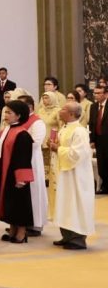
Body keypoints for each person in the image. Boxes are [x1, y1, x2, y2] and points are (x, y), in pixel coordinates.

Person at [50, 101, 96, 249]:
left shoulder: (79, 131)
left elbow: (77, 154)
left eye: (63, 109)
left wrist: (58, 149)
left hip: (77, 175)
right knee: (65, 203)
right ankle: (67, 236)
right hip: (65, 173)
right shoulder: (64, 128)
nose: (60, 110)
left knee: (76, 204)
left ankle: (78, 239)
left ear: (71, 114)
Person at [0, 100, 35, 244]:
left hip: (16, 175)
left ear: (19, 116)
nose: (5, 115)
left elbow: (24, 158)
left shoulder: (22, 134)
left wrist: (21, 178)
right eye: (5, 112)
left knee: (19, 203)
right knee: (9, 202)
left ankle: (21, 232)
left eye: (9, 112)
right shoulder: (6, 131)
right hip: (6, 172)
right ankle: (12, 229)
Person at [12, 92, 48, 237]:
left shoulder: (37, 122)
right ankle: (20, 222)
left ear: (30, 107)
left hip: (31, 161)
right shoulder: (19, 121)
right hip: (19, 161)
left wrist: (15, 145)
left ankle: (35, 225)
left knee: (34, 192)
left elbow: (36, 142)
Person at [38, 90, 65, 218]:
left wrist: (56, 141)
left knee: (52, 170)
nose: (45, 100)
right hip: (41, 143)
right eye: (43, 98)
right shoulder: (40, 111)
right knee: (43, 169)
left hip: (52, 143)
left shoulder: (58, 111)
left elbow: (61, 127)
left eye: (47, 98)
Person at [90, 85, 108, 194]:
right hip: (99, 140)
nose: (96, 95)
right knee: (102, 165)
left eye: (98, 93)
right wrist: (92, 140)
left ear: (105, 94)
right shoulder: (93, 106)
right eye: (95, 93)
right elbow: (92, 124)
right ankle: (105, 187)